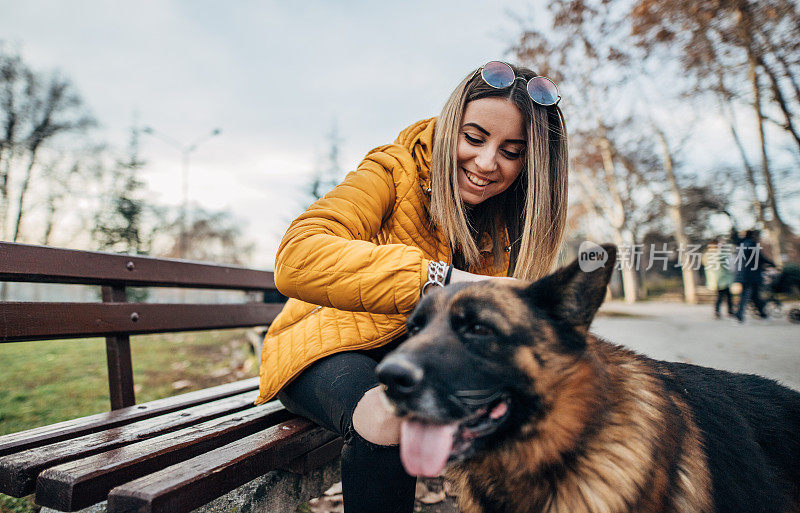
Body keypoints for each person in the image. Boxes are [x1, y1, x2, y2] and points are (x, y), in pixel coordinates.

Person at [254, 61, 568, 512]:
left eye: (511, 151)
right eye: (474, 138)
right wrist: (442, 281)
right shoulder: (392, 168)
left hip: (415, 355)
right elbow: (297, 257)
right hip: (326, 346)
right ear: (450, 126)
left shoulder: (510, 218)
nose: (486, 162)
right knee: (390, 416)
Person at [731, 228, 775, 322]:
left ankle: (762, 314)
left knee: (752, 295)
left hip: (742, 274)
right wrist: (772, 264)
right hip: (751, 274)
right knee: (748, 294)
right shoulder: (752, 244)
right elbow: (761, 258)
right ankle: (740, 314)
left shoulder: (740, 245)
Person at [702, 238, 735, 318]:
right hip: (722, 278)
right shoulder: (720, 254)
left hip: (714, 279)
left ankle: (719, 312)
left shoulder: (706, 255)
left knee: (722, 296)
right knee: (725, 296)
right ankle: (727, 311)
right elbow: (728, 264)